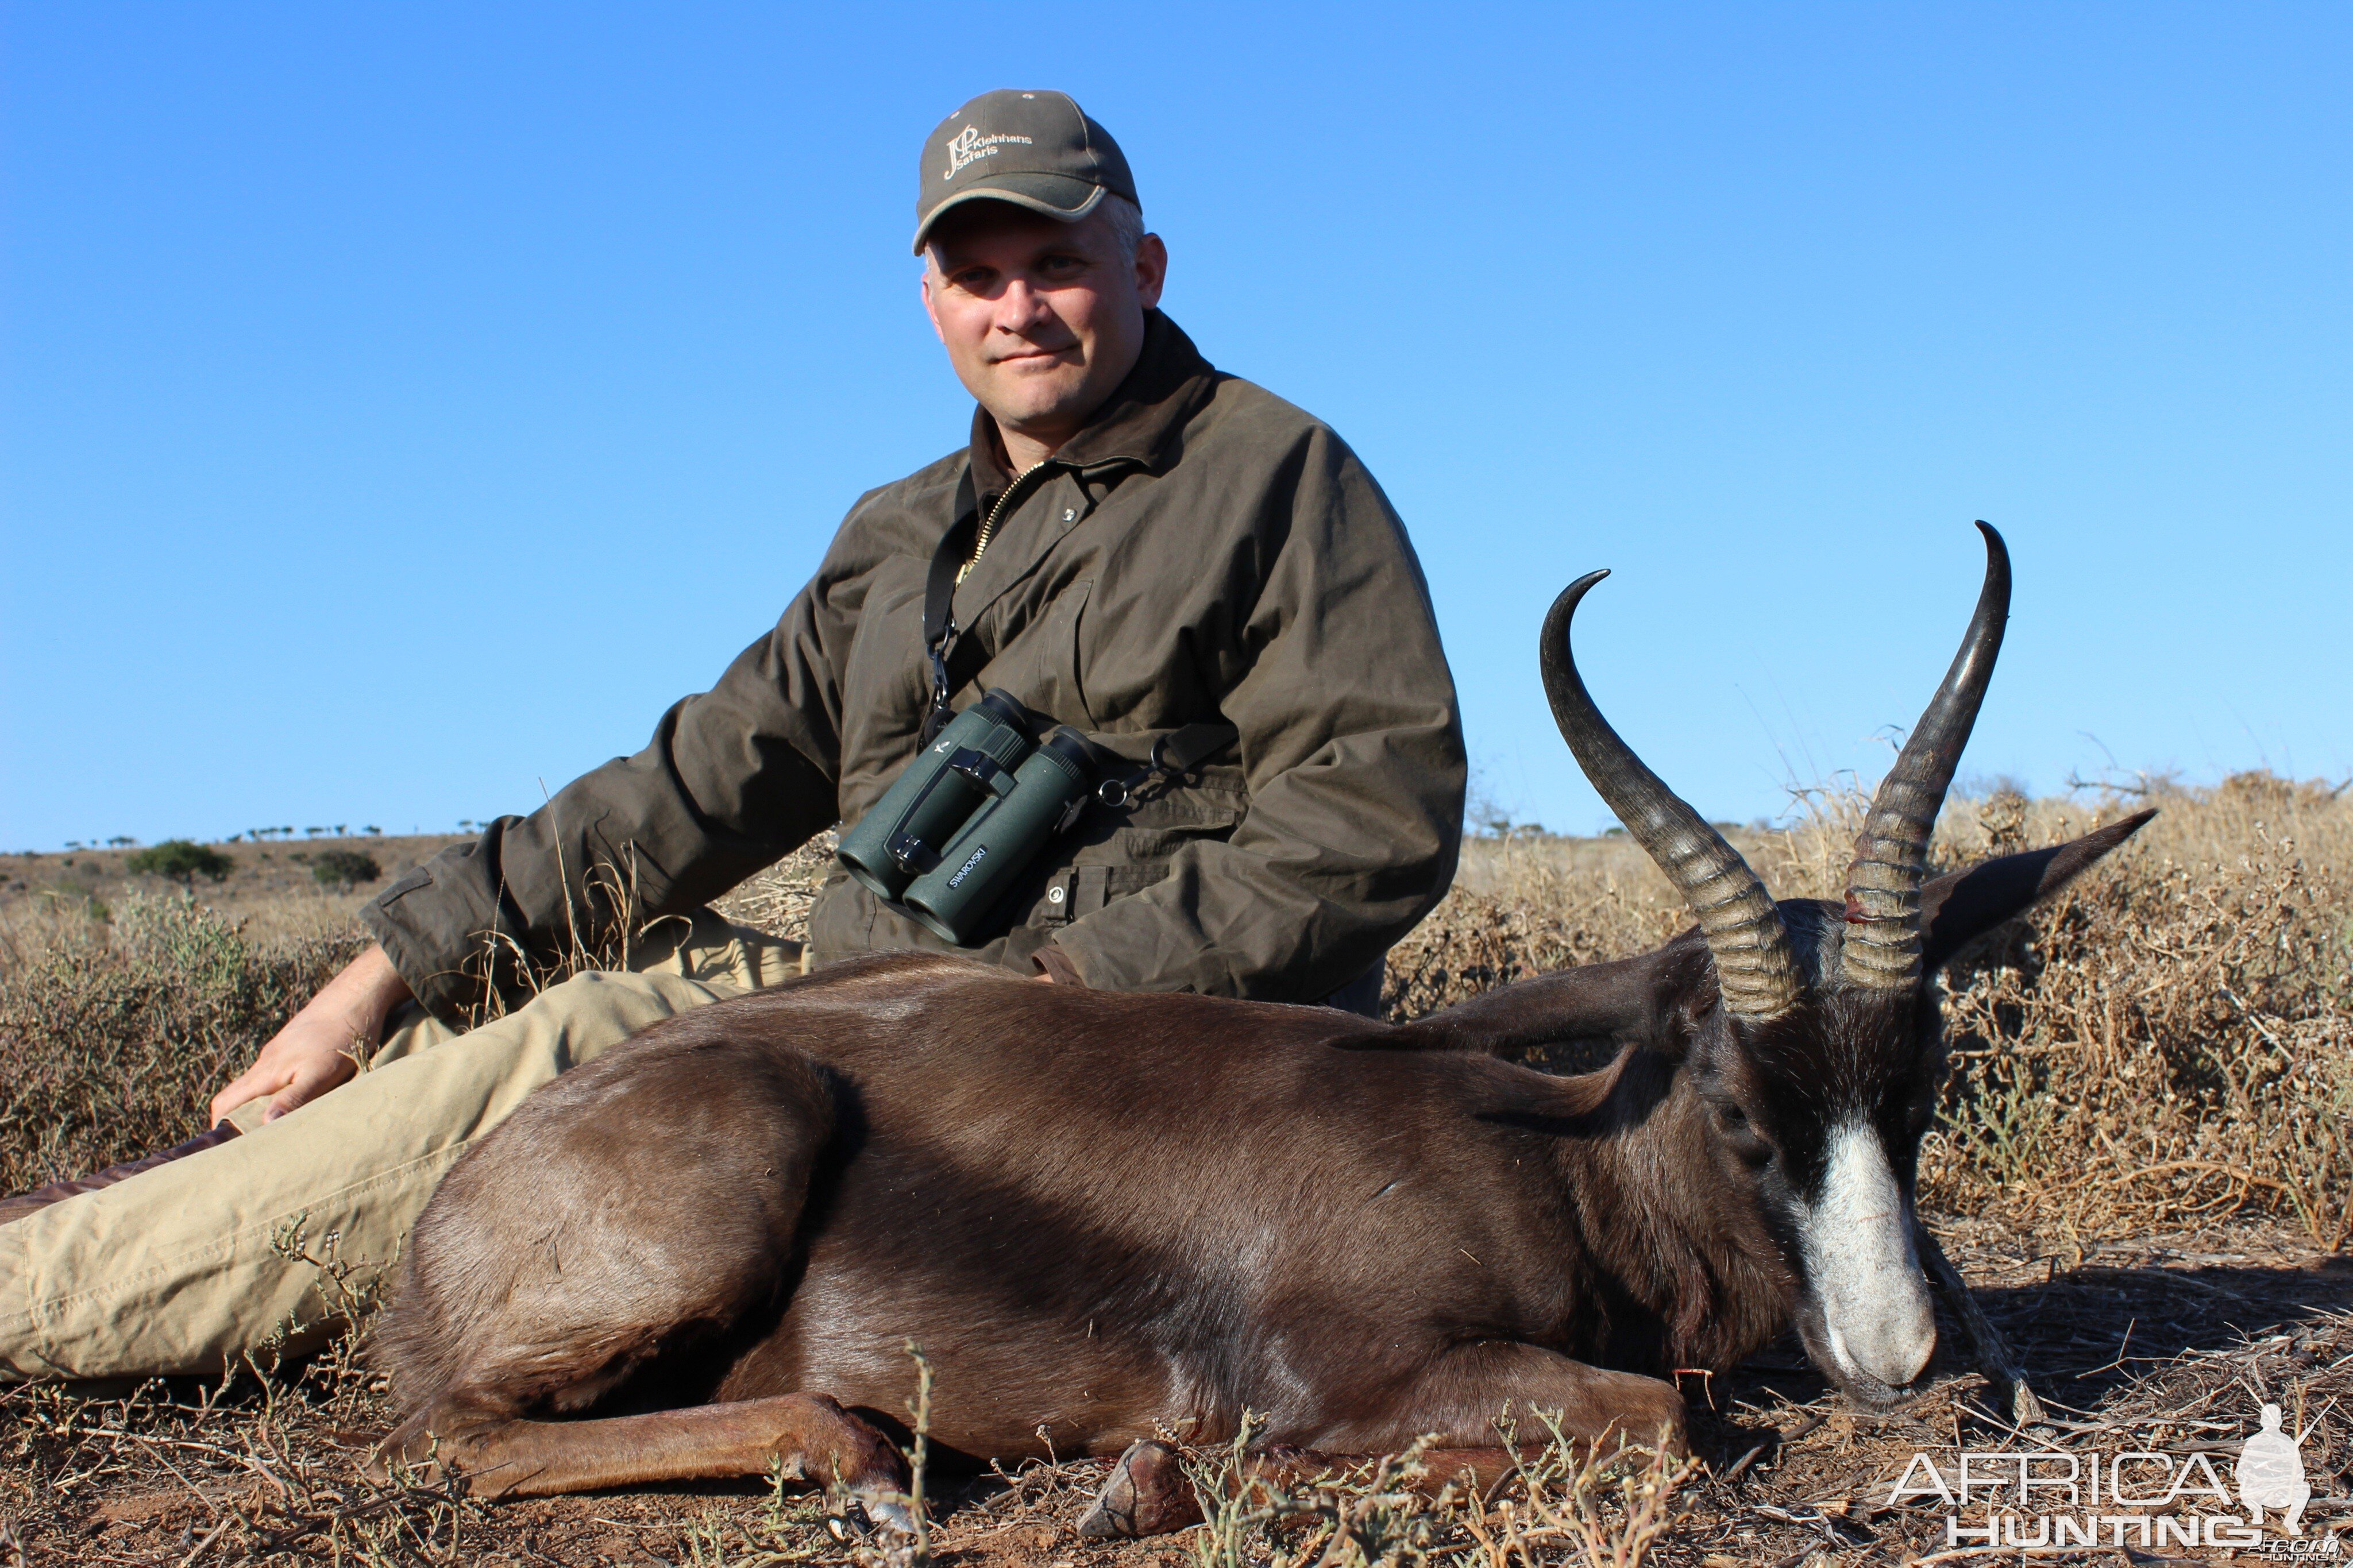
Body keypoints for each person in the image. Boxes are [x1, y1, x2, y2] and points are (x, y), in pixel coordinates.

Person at [0, 90, 1464, 1380]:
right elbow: (689, 789)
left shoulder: (1276, 473)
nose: (1018, 308)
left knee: (586, 1041)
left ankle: (43, 1305)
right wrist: (376, 978)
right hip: (888, 1011)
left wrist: (1062, 983)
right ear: (929, 302)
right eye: (976, 275)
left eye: (1058, 266)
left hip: (1136, 1066)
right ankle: (117, 1227)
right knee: (521, 1002)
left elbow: (1371, 819)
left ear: (1139, 266)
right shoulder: (896, 536)